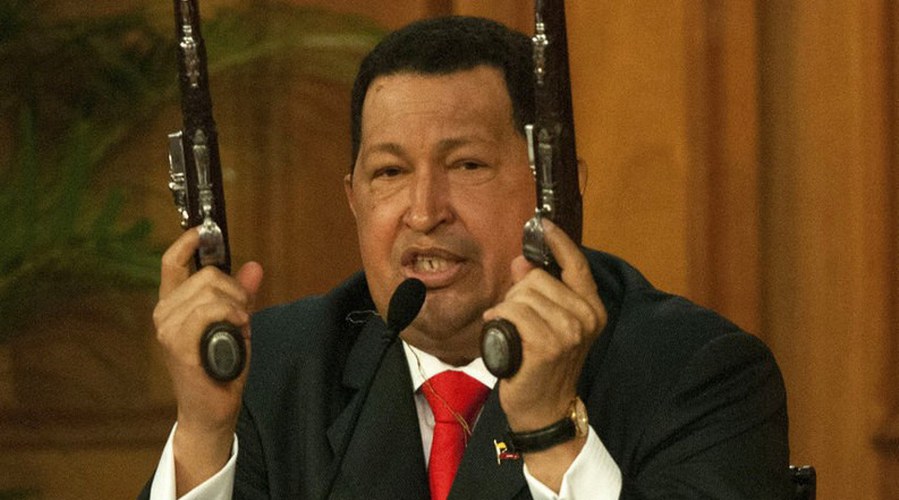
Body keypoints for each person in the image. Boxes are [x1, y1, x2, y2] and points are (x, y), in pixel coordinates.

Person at [141, 15, 790, 500]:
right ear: (354, 199)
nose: (424, 212)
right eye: (390, 172)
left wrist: (549, 434)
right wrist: (203, 436)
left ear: (558, 188)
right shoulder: (271, 375)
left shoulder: (696, 375)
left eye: (467, 165)